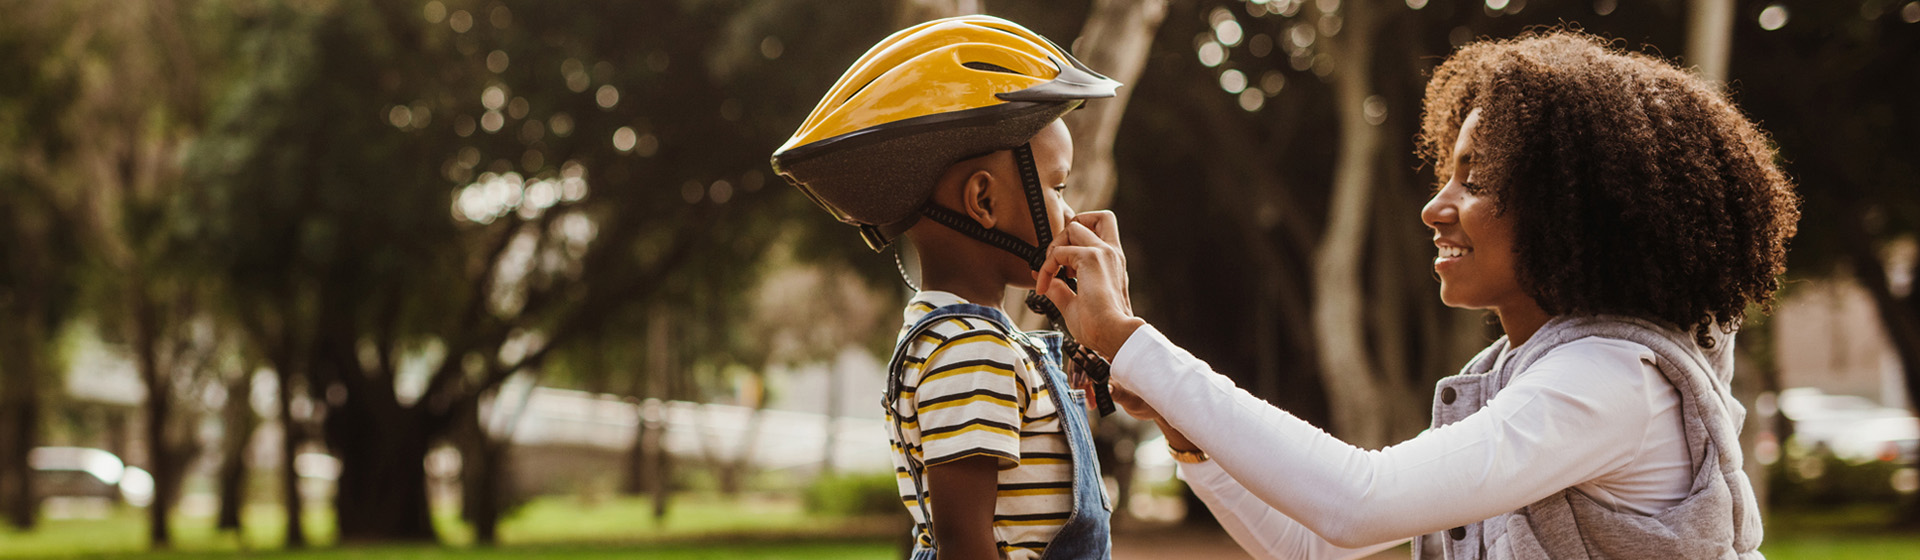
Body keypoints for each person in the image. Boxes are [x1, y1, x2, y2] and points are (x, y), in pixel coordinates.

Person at [1034, 30, 1799, 559]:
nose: (1437, 207)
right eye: (1448, 172)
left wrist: (1129, 340)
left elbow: (1358, 498)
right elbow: (1315, 541)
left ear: (1575, 206)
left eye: (1478, 179)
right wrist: (1181, 427)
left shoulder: (1608, 382)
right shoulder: (1533, 372)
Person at [771, 15, 1121, 560]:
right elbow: (966, 547)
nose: (1072, 211)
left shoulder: (974, 337)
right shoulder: (971, 348)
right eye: (1059, 187)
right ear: (983, 202)